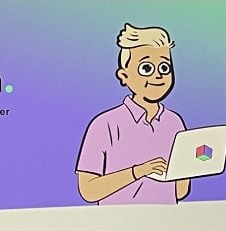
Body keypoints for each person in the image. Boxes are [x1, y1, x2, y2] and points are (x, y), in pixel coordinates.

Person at [76, 23, 191, 204]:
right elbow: (89, 190)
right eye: (146, 68)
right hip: (115, 225)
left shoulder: (174, 122)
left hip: (167, 224)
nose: (158, 76)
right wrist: (139, 171)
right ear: (124, 75)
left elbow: (180, 192)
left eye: (164, 68)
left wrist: (190, 168)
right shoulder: (105, 124)